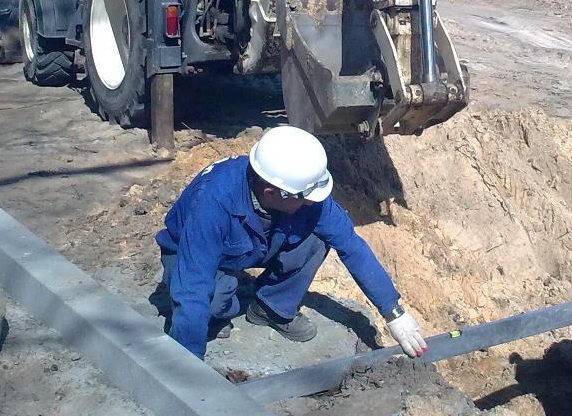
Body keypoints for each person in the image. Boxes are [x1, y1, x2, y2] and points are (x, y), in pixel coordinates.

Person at [154, 125, 427, 361]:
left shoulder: (301, 191)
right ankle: (207, 305)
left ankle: (269, 307)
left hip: (252, 247)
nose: (313, 201)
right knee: (209, 300)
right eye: (305, 197)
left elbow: (351, 246)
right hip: (188, 252)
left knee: (316, 240)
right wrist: (188, 369)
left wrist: (394, 313)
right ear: (271, 192)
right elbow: (193, 286)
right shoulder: (213, 202)